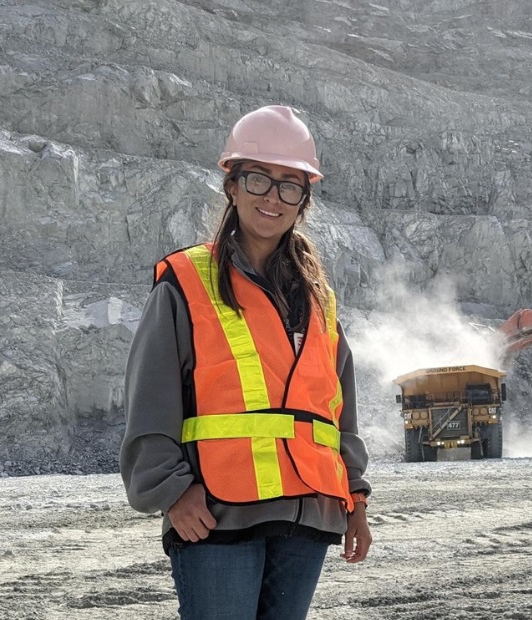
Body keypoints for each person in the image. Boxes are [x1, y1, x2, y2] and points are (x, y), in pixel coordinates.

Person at [120, 105, 372, 620]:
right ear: (232, 185)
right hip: (216, 510)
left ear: (303, 202)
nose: (272, 196)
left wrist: (356, 499)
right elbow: (151, 395)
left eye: (289, 185)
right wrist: (171, 492)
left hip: (309, 509)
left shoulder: (319, 299)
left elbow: (337, 411)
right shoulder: (186, 282)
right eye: (258, 178)